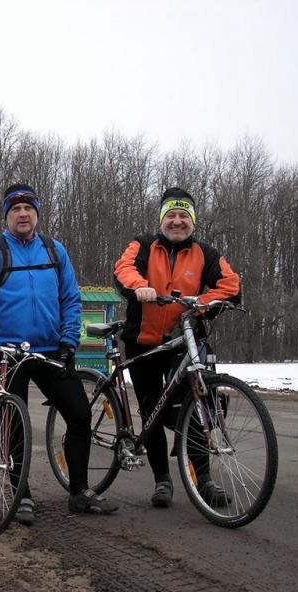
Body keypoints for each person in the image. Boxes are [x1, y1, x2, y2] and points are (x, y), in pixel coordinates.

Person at [0, 183, 119, 523]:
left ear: (37, 214)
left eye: (29, 208)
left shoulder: (55, 251)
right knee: (15, 421)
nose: (23, 214)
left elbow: (70, 298)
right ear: (7, 216)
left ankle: (80, 492)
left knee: (79, 414)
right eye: (15, 209)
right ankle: (19, 492)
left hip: (50, 349)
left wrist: (69, 341)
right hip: (7, 352)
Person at [112, 187, 240, 508]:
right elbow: (123, 269)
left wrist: (200, 305)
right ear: (162, 219)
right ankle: (162, 481)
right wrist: (142, 288)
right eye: (171, 215)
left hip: (184, 342)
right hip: (142, 344)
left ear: (193, 222)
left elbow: (230, 284)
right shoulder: (143, 245)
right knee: (151, 412)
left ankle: (205, 482)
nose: (178, 221)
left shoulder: (205, 254)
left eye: (184, 216)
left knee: (193, 412)